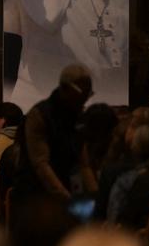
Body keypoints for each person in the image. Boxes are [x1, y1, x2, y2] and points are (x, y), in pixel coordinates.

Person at [11, 65, 96, 208]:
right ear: (66, 88)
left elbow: (84, 164)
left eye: (88, 95)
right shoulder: (39, 115)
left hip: (65, 194)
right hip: (35, 197)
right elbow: (41, 165)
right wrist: (67, 199)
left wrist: (95, 197)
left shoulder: (77, 116)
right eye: (82, 95)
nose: (84, 101)